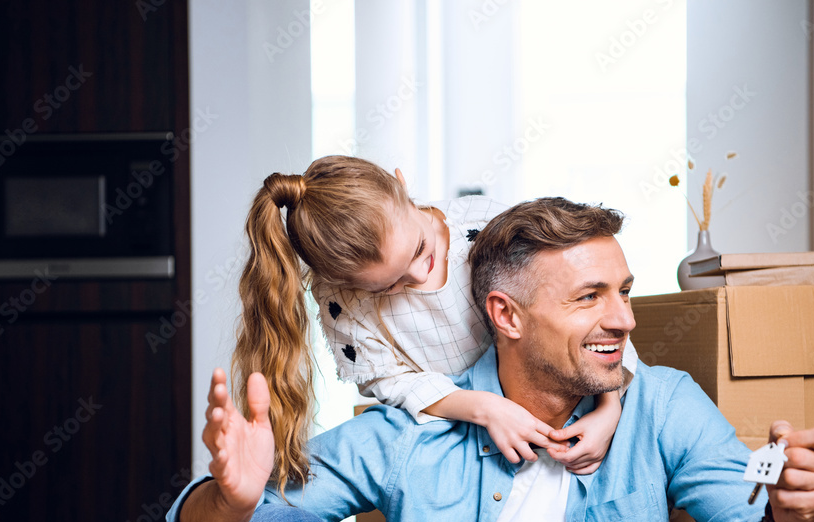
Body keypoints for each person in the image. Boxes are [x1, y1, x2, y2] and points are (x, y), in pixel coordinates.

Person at [154, 197, 814, 522]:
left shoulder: (662, 404)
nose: (624, 319)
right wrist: (233, 503)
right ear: (507, 315)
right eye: (589, 297)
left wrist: (801, 520)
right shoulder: (418, 427)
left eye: (623, 291)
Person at [238, 156, 634, 486]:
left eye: (419, 249)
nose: (417, 276)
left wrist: (608, 407)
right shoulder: (344, 303)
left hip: (567, 405)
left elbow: (590, 317)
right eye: (389, 286)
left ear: (401, 185)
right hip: (463, 438)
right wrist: (484, 408)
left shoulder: (481, 221)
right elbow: (390, 381)